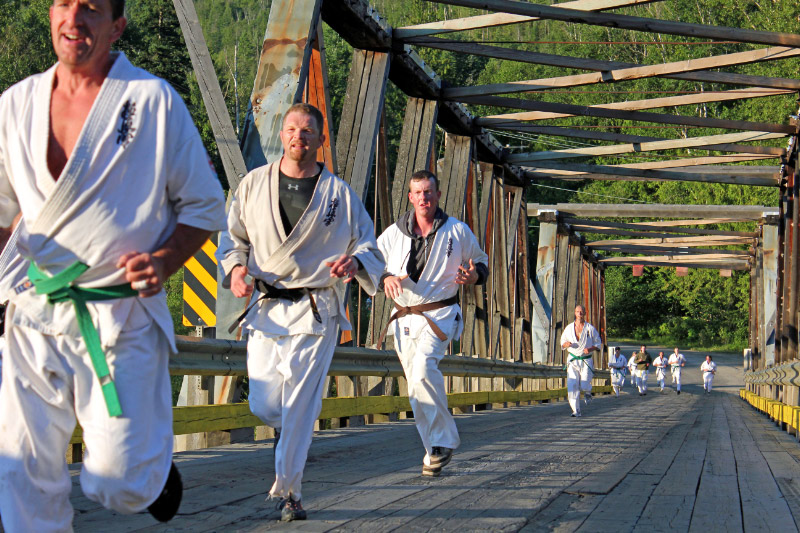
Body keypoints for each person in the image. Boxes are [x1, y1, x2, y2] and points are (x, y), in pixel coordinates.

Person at [0, 0, 226, 530]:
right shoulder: (15, 104)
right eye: (63, 3)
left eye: (91, 8)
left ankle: (151, 471)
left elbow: (204, 205)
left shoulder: (152, 101)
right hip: (33, 310)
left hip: (119, 313)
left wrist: (165, 260)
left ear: (116, 26)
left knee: (119, 483)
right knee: (20, 476)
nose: (74, 17)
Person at [217, 102, 385, 521]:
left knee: (298, 403)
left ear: (320, 138)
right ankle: (295, 427)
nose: (299, 137)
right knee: (265, 404)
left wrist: (355, 262)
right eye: (292, 129)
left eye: (308, 130)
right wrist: (236, 269)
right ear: (282, 135)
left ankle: (290, 492)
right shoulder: (253, 184)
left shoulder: (339, 194)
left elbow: (369, 244)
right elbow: (233, 237)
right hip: (267, 308)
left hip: (315, 309)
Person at [377, 169, 488, 477]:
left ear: (438, 195)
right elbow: (371, 262)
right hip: (404, 318)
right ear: (410, 197)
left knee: (424, 368)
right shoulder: (393, 233)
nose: (424, 197)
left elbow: (481, 262)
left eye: (428, 191)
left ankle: (444, 441)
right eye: (418, 192)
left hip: (439, 315)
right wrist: (385, 278)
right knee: (415, 385)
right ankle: (433, 453)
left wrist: (473, 276)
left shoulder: (457, 231)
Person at [560, 305, 602, 417]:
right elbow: (562, 342)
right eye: (578, 312)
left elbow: (598, 343)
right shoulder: (569, 328)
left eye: (581, 312)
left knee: (584, 384)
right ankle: (576, 410)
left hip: (586, 360)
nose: (579, 314)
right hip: (573, 359)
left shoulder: (590, 328)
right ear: (575, 313)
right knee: (572, 385)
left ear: (585, 313)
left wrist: (590, 349)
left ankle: (587, 392)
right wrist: (566, 344)